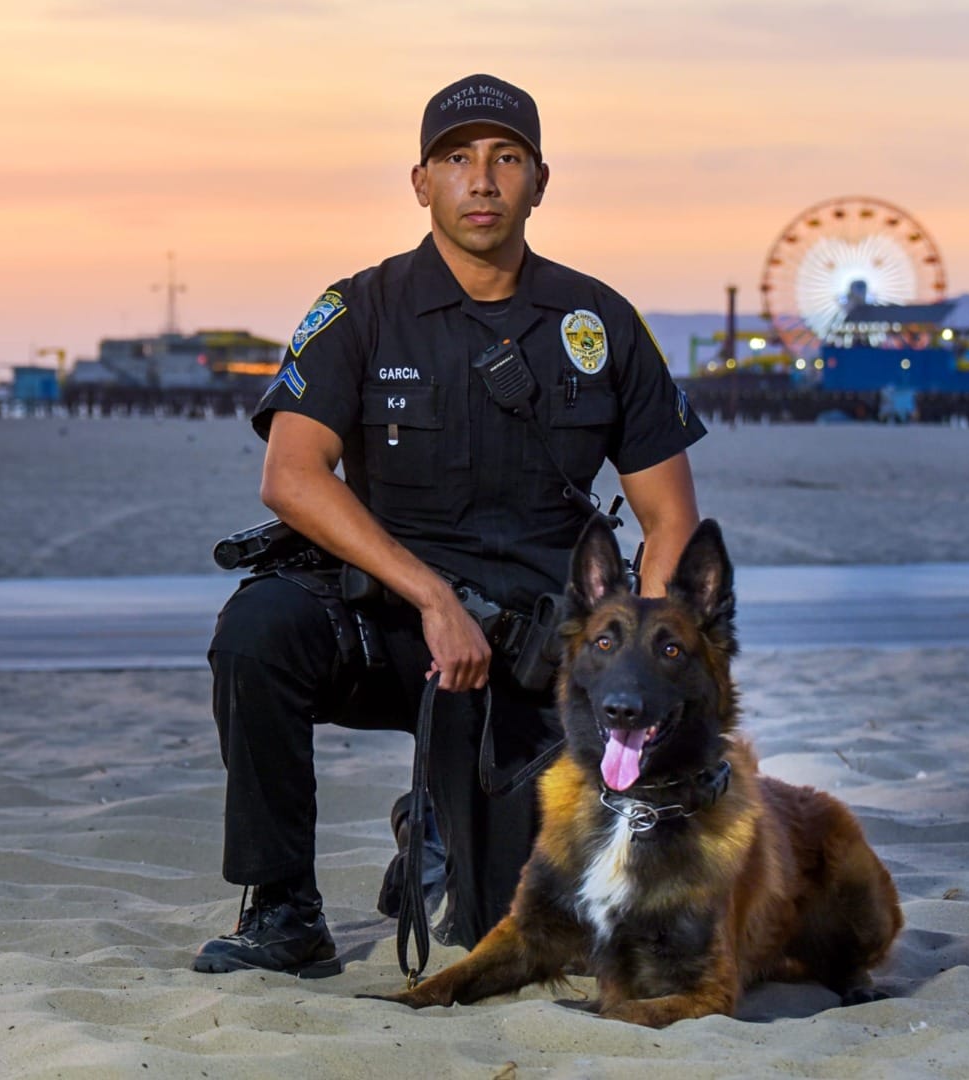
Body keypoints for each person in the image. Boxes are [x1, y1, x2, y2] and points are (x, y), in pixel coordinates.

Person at [193, 74, 705, 977]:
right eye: (457, 160)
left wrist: (630, 670)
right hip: (391, 622)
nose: (482, 181)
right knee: (257, 633)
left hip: (533, 655)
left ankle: (438, 823)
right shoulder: (363, 308)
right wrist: (430, 596)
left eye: (506, 159)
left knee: (502, 934)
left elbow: (668, 520)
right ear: (420, 181)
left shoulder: (600, 322)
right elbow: (291, 476)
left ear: (540, 182)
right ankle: (283, 910)